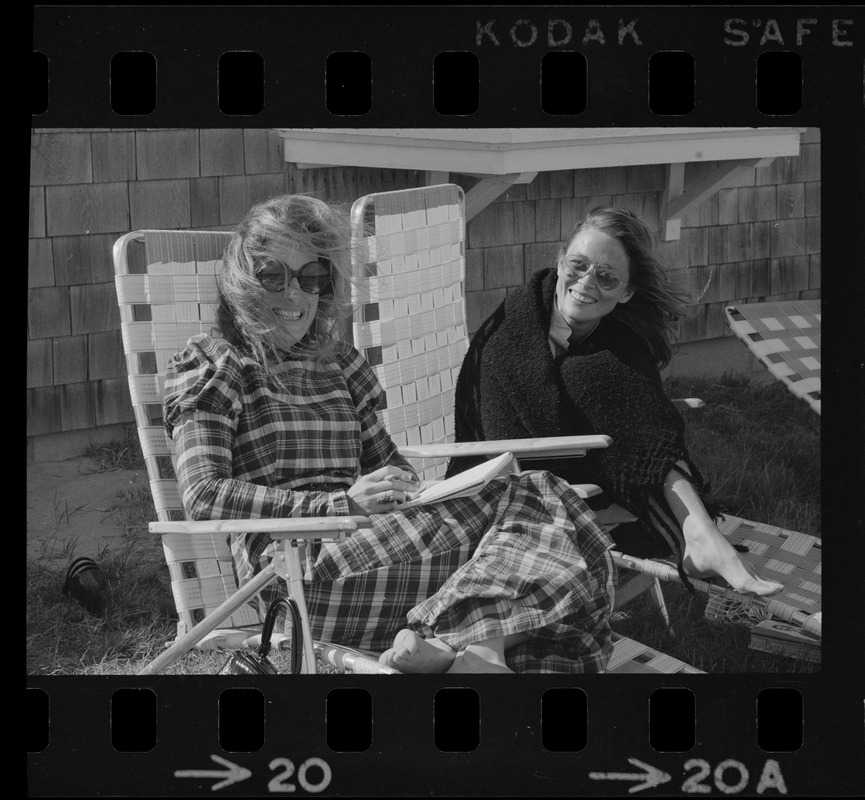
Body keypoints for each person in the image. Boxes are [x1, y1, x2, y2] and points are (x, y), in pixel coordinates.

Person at [162, 194, 617, 674]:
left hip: (373, 549)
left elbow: (390, 467)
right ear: (242, 282)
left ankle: (469, 651)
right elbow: (204, 494)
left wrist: (411, 491)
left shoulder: (339, 365)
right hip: (295, 573)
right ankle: (474, 645)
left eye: (312, 277)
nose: (295, 295)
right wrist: (339, 505)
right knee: (550, 510)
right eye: (273, 275)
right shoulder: (216, 364)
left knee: (543, 514)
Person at [448, 205, 784, 598]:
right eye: (578, 265)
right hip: (507, 493)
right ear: (559, 261)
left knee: (614, 386)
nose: (587, 282)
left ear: (626, 292)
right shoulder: (510, 338)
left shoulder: (617, 340)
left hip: (584, 479)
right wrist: (602, 492)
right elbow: (500, 446)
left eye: (606, 277)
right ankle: (700, 536)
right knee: (594, 377)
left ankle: (702, 536)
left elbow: (639, 414)